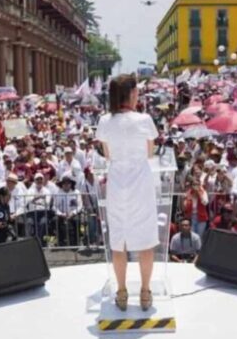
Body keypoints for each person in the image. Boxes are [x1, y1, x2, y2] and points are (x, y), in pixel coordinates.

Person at [96, 74, 159, 312]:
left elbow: (108, 153)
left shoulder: (104, 121)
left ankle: (121, 291)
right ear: (131, 93)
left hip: (117, 182)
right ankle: (145, 291)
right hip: (140, 183)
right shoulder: (144, 120)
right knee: (145, 241)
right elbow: (150, 153)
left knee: (118, 241)